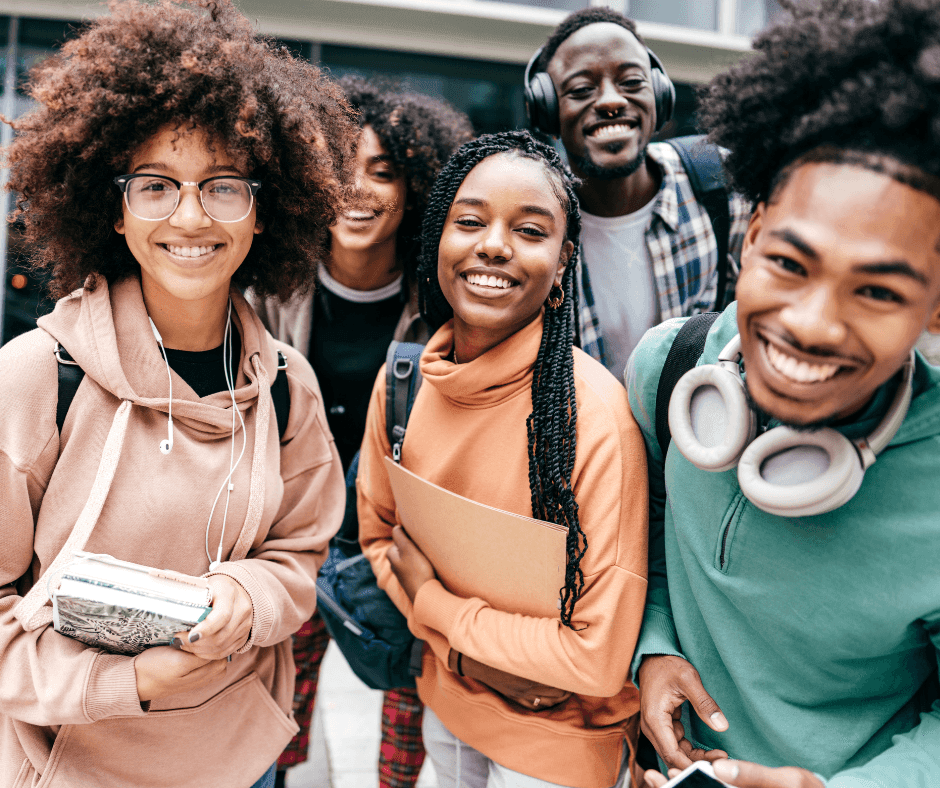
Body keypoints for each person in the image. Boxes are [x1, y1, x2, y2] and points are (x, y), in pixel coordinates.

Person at [0, 1, 356, 785]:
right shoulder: (35, 377)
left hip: (238, 761)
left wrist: (246, 591)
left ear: (264, 210)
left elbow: (299, 551)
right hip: (71, 763)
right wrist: (129, 683)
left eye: (223, 185)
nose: (190, 215)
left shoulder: (287, 386)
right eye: (155, 185)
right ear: (114, 210)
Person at [626, 1, 940, 786]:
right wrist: (654, 646)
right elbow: (645, 538)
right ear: (753, 233)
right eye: (791, 265)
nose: (811, 324)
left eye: (876, 291)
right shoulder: (668, 365)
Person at [357, 130, 649, 788]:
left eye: (529, 229)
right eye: (469, 221)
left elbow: (598, 661)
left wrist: (438, 611)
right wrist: (473, 664)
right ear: (438, 236)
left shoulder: (594, 421)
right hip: (445, 714)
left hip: (561, 756)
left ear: (563, 257)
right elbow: (378, 537)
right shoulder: (403, 382)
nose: (493, 244)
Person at [255, 76, 472, 788]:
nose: (360, 187)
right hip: (293, 531)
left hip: (397, 539)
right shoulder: (267, 289)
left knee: (406, 716)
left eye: (383, 171)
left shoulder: (440, 299)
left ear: (414, 189)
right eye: (341, 165)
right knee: (278, 712)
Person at [527, 6, 752, 378]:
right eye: (582, 89)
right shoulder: (533, 222)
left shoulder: (725, 185)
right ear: (547, 110)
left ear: (659, 93)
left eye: (632, 82)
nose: (612, 102)